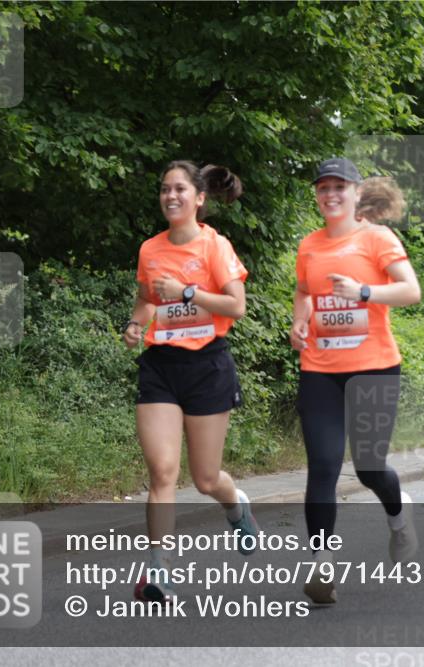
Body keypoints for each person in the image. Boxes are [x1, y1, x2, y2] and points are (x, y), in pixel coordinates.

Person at [123, 161, 258, 602]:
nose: (170, 196)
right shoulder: (150, 249)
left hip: (207, 366)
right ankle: (158, 571)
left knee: (205, 478)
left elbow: (235, 306)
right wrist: (135, 323)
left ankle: (235, 506)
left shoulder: (214, 247)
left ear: (199, 198)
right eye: (164, 189)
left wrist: (185, 291)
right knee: (162, 471)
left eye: (179, 189)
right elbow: (147, 297)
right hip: (161, 365)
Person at [290, 159, 421, 605]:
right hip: (320, 369)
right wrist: (299, 323)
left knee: (368, 467)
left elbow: (410, 290)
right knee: (323, 466)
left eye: (339, 187)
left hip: (374, 367)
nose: (330, 194)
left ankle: (399, 517)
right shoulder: (309, 245)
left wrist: (365, 292)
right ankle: (321, 566)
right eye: (323, 187)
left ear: (355, 193)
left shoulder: (377, 238)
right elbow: (305, 291)